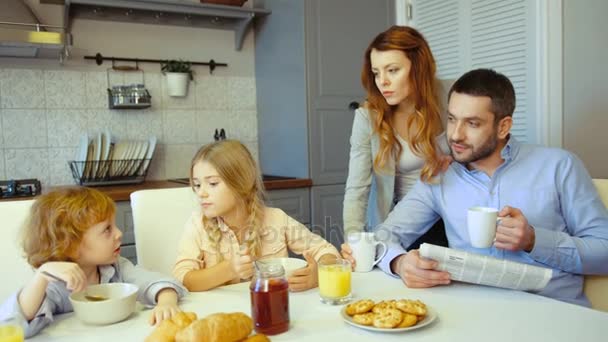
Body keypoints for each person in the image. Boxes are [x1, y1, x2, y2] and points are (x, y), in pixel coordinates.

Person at [343, 68, 608, 306]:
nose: (455, 135)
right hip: (473, 314)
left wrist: (534, 241)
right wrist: (399, 263)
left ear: (503, 126)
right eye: (451, 119)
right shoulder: (440, 177)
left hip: (555, 314)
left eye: (472, 123)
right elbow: (383, 236)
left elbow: (604, 252)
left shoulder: (560, 166)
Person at [0, 187, 187, 338]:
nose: (119, 233)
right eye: (107, 229)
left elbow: (157, 282)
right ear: (71, 245)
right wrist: (41, 277)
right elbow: (14, 324)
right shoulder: (54, 286)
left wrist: (166, 302)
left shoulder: (116, 268)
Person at [173, 140, 340, 292]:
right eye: (197, 184)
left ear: (241, 183)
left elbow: (327, 251)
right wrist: (229, 269)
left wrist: (318, 273)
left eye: (213, 184)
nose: (201, 193)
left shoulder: (276, 219)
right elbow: (184, 279)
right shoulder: (197, 224)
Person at [343, 25, 450, 250]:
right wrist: (354, 242)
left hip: (454, 214)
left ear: (418, 67)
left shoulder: (452, 95)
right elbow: (357, 188)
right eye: (376, 72)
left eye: (392, 70)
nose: (382, 81)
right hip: (405, 221)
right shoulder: (367, 116)